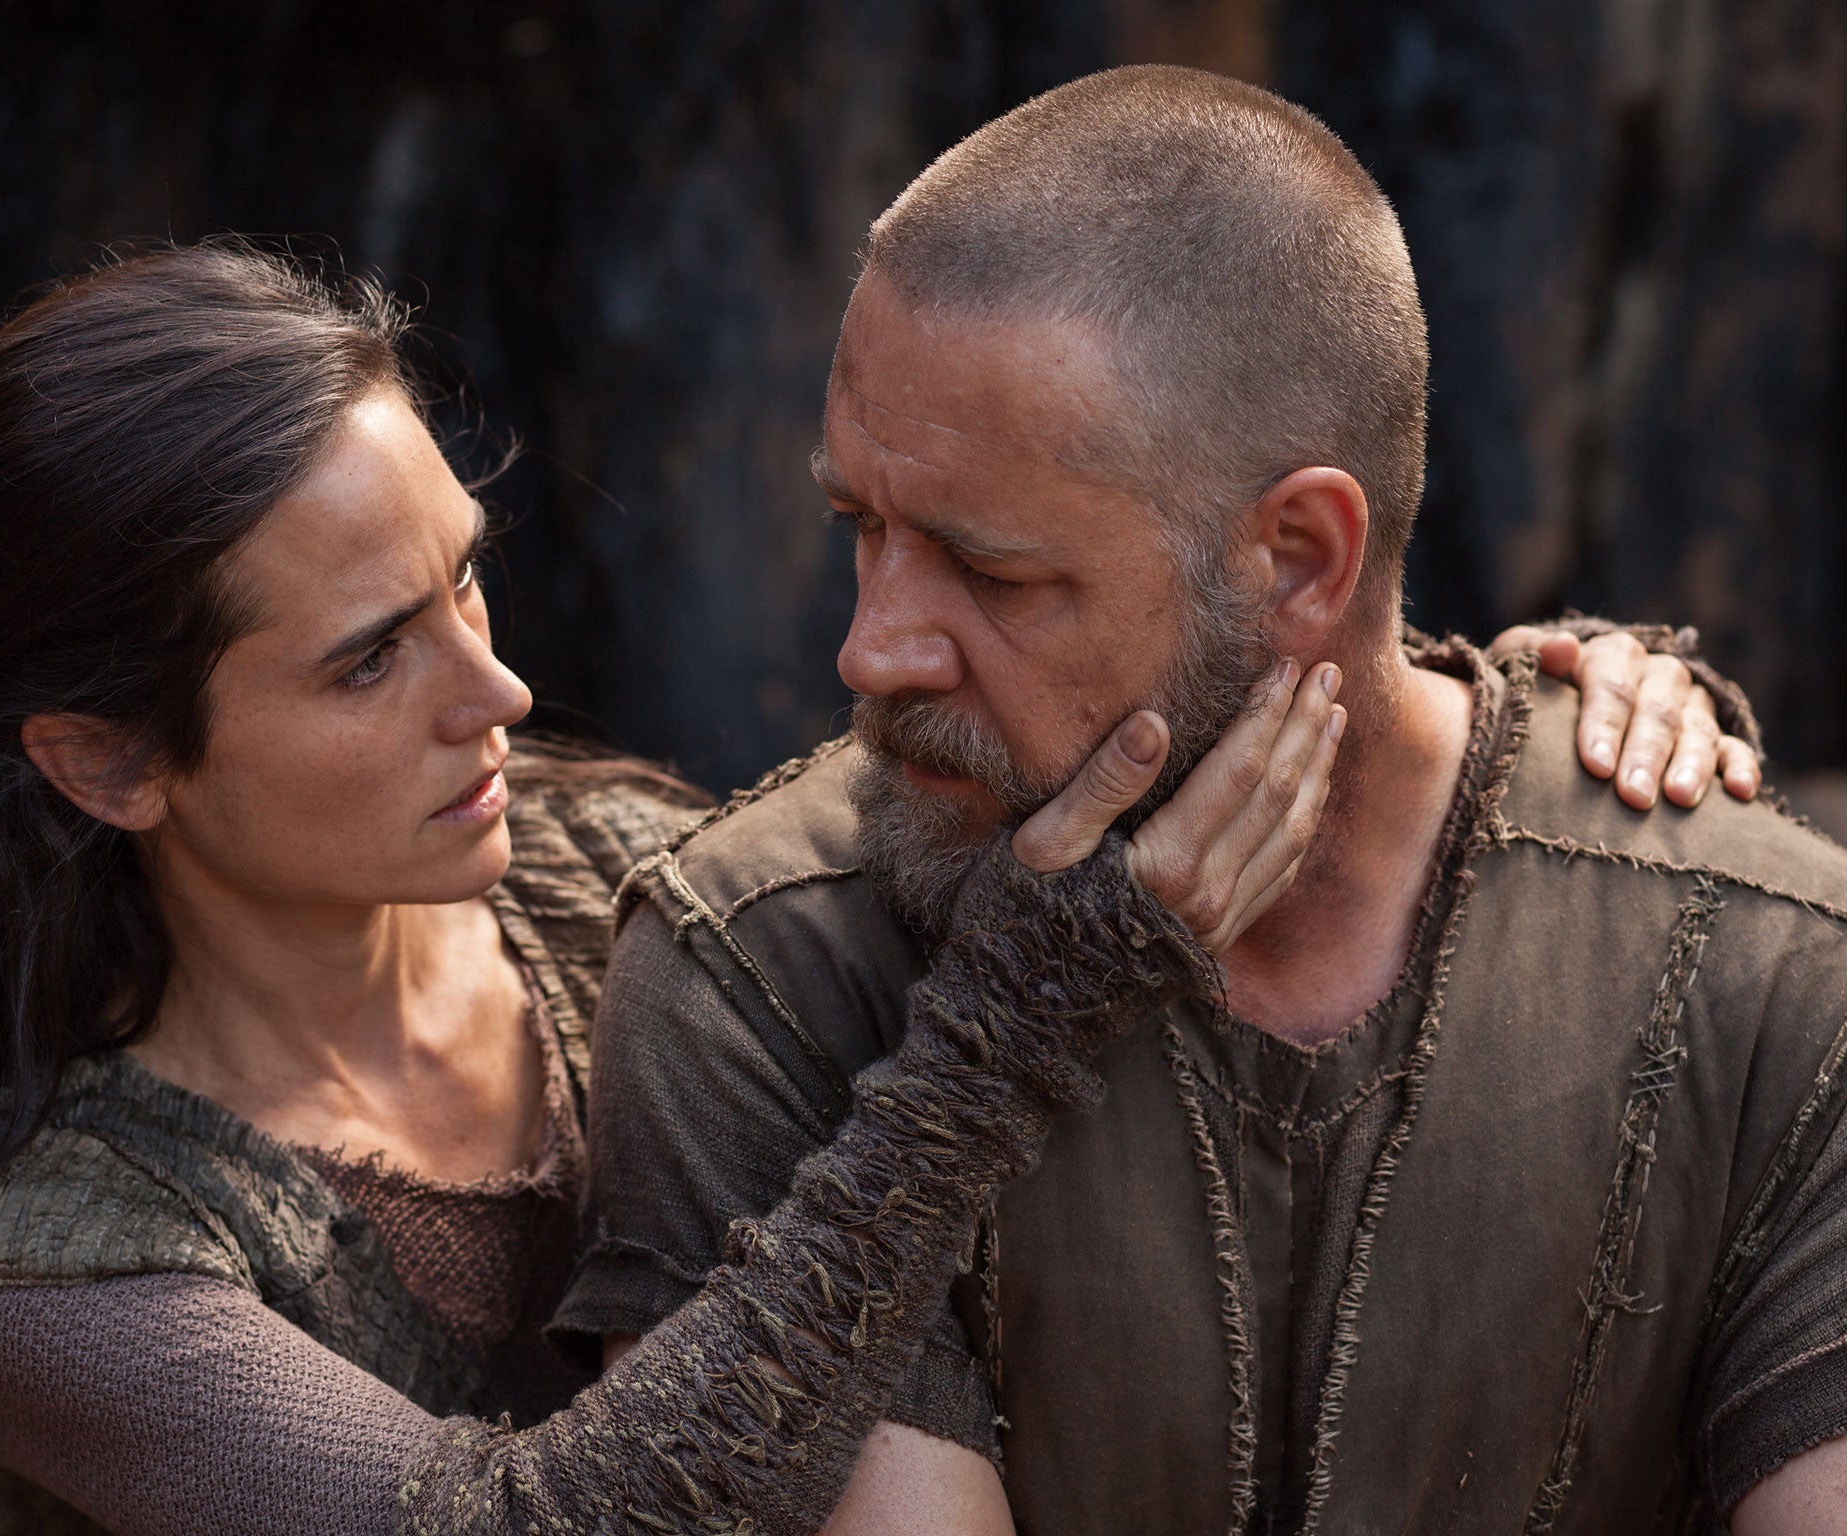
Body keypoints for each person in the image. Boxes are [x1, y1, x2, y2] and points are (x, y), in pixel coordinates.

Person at [0, 241, 1350, 1536]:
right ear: (108, 763)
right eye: (369, 658)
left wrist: (1512, 714)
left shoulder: (612, 868)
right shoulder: (21, 1247)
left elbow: (1047, 793)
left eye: (462, 577)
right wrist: (1000, 1041)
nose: (501, 692)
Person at [559, 67, 1844, 1536]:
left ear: (1300, 559)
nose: (872, 650)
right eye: (859, 526)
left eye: (994, 572)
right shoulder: (759, 971)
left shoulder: (1771, 973)